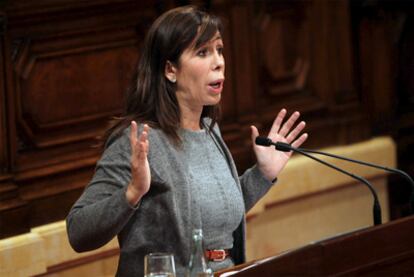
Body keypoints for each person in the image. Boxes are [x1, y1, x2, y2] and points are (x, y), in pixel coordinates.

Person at [66, 5, 308, 277]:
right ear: (170, 70)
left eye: (219, 49)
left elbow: (214, 214)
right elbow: (78, 231)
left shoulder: (209, 131)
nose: (218, 61)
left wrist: (262, 175)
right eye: (203, 52)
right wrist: (132, 192)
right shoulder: (137, 140)